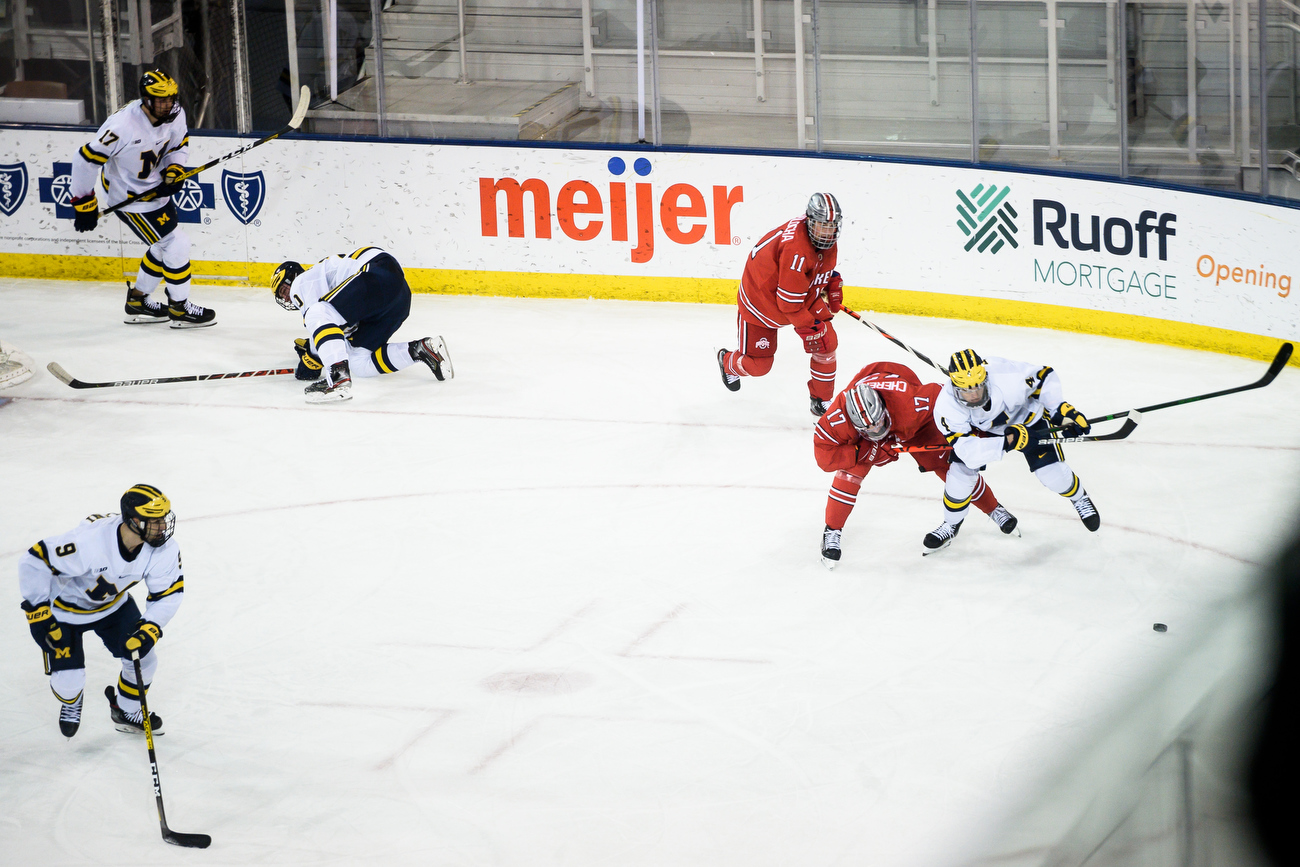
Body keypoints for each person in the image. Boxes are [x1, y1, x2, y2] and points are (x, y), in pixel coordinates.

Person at [18, 484, 185, 738]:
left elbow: (168, 593)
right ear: (133, 521)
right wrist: (38, 612)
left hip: (113, 607)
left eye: (164, 518)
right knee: (68, 685)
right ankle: (72, 699)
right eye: (154, 520)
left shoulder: (164, 549)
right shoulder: (90, 542)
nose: (163, 526)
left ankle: (125, 710)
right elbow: (36, 559)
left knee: (144, 659)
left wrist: (150, 627)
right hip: (65, 612)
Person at [814, 361, 1018, 568]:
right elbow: (824, 457)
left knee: (945, 464)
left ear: (884, 410)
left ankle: (994, 510)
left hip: (905, 412)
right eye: (869, 430)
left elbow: (949, 401)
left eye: (879, 424)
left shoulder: (912, 404)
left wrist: (982, 431)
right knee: (850, 473)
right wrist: (866, 451)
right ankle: (832, 530)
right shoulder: (837, 419)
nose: (876, 431)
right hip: (872, 418)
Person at [926, 349, 1099, 552]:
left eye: (978, 388)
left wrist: (1060, 410)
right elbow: (967, 450)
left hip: (1030, 422)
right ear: (955, 386)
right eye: (966, 390)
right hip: (985, 430)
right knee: (959, 476)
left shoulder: (1006, 374)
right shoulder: (946, 406)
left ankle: (1079, 498)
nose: (973, 395)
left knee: (1052, 475)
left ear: (985, 379)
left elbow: (1043, 377)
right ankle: (951, 524)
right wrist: (1008, 441)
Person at [270, 245, 454, 403]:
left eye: (284, 289)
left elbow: (319, 315)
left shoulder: (302, 281)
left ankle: (337, 379)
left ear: (292, 277)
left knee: (318, 313)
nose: (286, 296)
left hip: (374, 272)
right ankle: (421, 350)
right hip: (398, 297)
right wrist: (317, 348)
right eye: (282, 296)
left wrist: (311, 354)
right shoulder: (328, 290)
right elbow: (340, 329)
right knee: (359, 362)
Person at [718, 192, 845, 416]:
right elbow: (789, 304)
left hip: (793, 294)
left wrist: (829, 280)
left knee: (828, 345)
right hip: (760, 304)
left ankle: (821, 400)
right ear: (809, 222)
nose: (827, 233)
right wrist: (811, 329)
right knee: (759, 366)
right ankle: (727, 361)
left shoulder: (823, 242)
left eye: (831, 227)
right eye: (821, 227)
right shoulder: (796, 250)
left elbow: (814, 267)